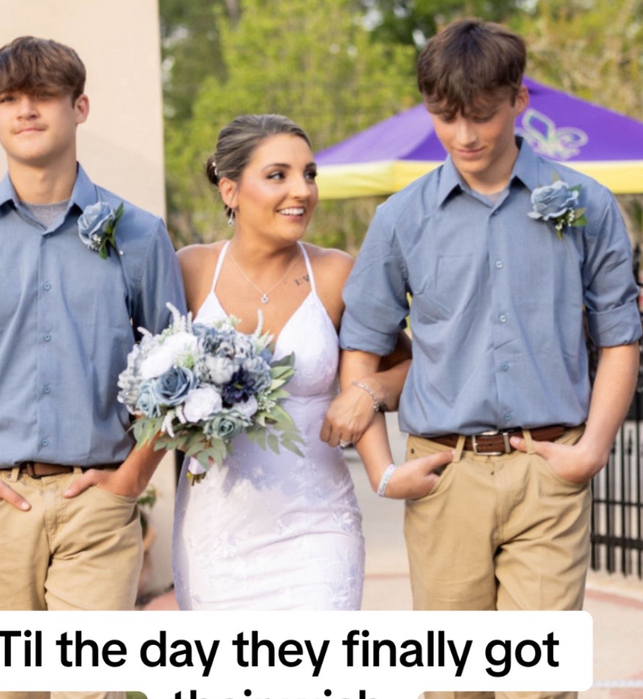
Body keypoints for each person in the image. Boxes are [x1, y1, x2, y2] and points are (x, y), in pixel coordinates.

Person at [334, 18, 642, 699]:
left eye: (480, 114)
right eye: (446, 116)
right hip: (445, 477)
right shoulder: (400, 218)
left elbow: (620, 336)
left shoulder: (586, 205)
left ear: (518, 100)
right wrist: (384, 471)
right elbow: (361, 347)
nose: (464, 135)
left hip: (547, 471)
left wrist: (590, 450)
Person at [0, 36, 185, 699]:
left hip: (96, 505)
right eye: (8, 99)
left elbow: (177, 377)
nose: (26, 110)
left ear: (78, 107)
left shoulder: (136, 233)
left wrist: (130, 477)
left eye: (43, 95)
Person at [171, 114, 451, 610]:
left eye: (309, 174)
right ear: (230, 190)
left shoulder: (335, 273)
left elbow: (415, 365)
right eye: (278, 175)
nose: (301, 190)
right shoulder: (190, 270)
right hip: (216, 534)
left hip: (319, 531)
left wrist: (367, 393)